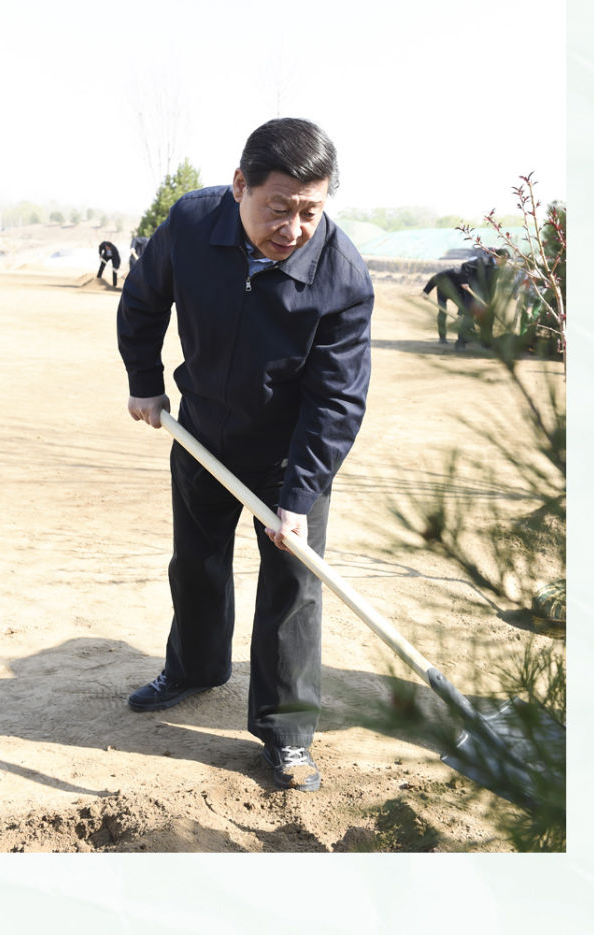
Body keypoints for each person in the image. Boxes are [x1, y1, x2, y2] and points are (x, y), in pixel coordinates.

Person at [116, 118, 374, 792]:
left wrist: (299, 496)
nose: (294, 227)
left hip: (290, 455)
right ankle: (194, 669)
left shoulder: (342, 276)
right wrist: (144, 380)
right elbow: (143, 300)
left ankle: (286, 731)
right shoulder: (192, 224)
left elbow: (337, 400)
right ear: (240, 186)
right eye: (279, 207)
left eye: (310, 211)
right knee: (196, 562)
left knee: (292, 590)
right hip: (201, 433)